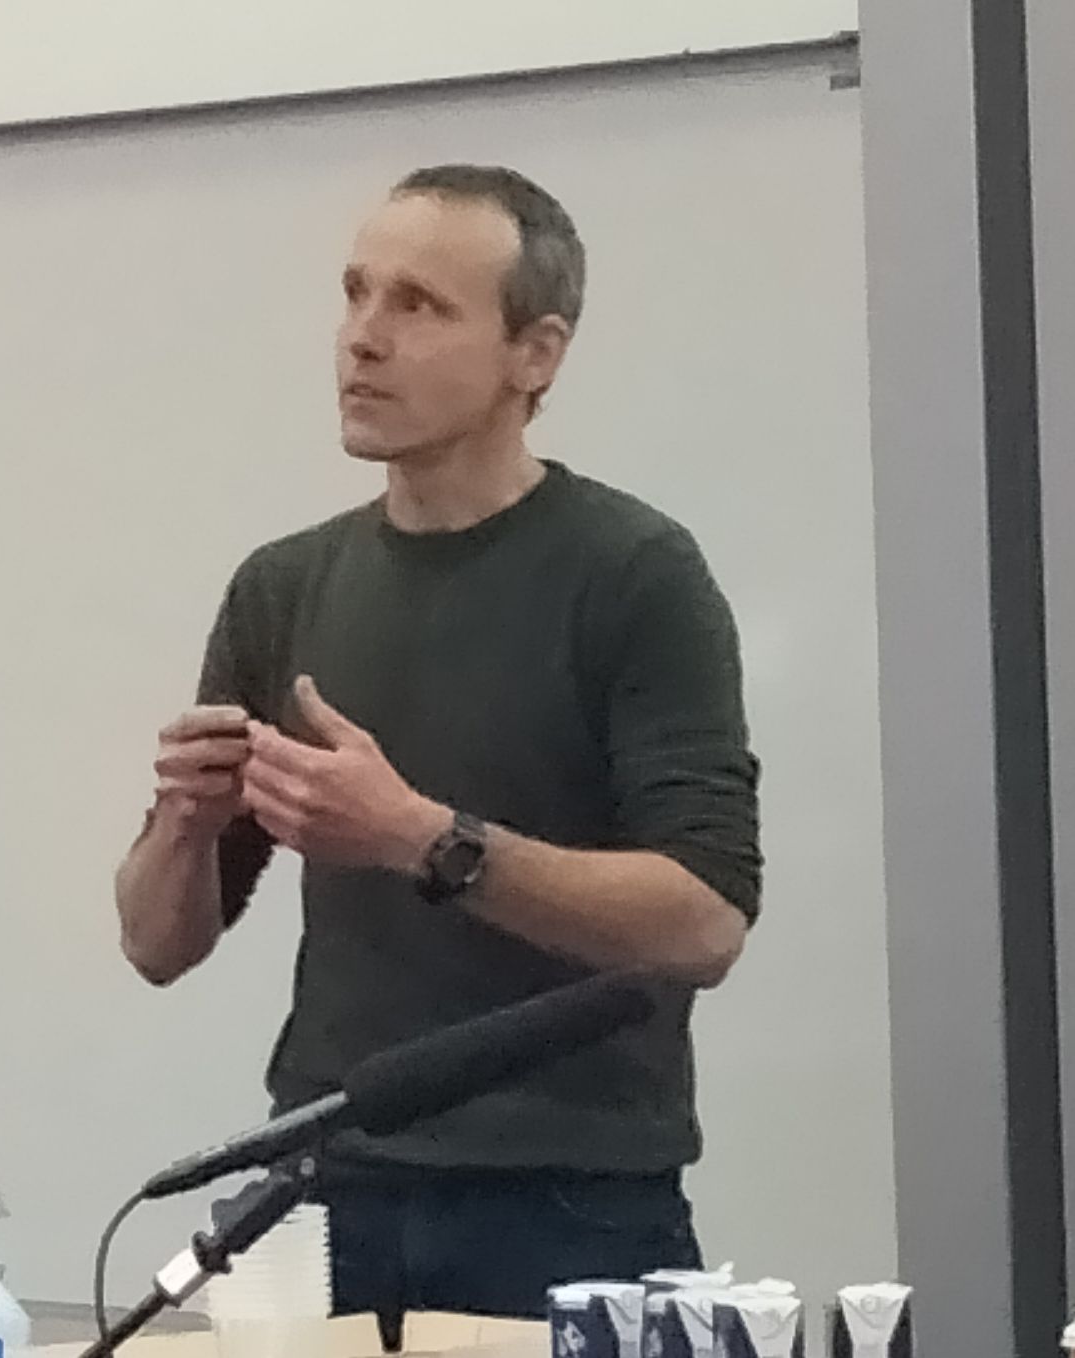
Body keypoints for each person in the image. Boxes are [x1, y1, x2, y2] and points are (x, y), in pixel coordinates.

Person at [115, 164, 761, 1330]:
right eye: (354, 293)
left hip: (570, 1198)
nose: (362, 337)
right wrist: (185, 822)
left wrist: (420, 837)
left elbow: (704, 921)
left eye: (417, 304)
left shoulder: (633, 574)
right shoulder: (284, 585)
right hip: (326, 1182)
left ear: (536, 353)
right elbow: (158, 943)